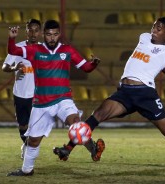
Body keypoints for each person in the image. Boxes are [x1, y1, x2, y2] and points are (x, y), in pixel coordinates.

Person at [53, 17, 165, 179]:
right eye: (154, 25)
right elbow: (149, 60)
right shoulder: (144, 37)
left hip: (145, 94)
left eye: (159, 28)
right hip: (125, 92)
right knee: (97, 114)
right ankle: (68, 148)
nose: (154, 29)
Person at [6, 19, 104, 176]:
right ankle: (26, 170)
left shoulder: (68, 51)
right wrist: (11, 38)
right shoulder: (34, 50)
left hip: (63, 99)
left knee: (76, 125)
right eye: (49, 34)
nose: (52, 37)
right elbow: (13, 51)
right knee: (33, 141)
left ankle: (93, 148)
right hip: (41, 104)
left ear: (59, 34)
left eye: (55, 34)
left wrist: (94, 64)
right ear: (44, 35)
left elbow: (86, 68)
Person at [2, 19, 41, 160]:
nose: (33, 33)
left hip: (37, 95)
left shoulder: (43, 49)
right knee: (23, 125)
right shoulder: (18, 48)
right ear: (26, 31)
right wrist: (14, 68)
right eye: (30, 30)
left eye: (36, 30)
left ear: (40, 32)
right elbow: (4, 66)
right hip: (20, 93)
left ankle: (31, 149)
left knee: (36, 126)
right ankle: (26, 144)